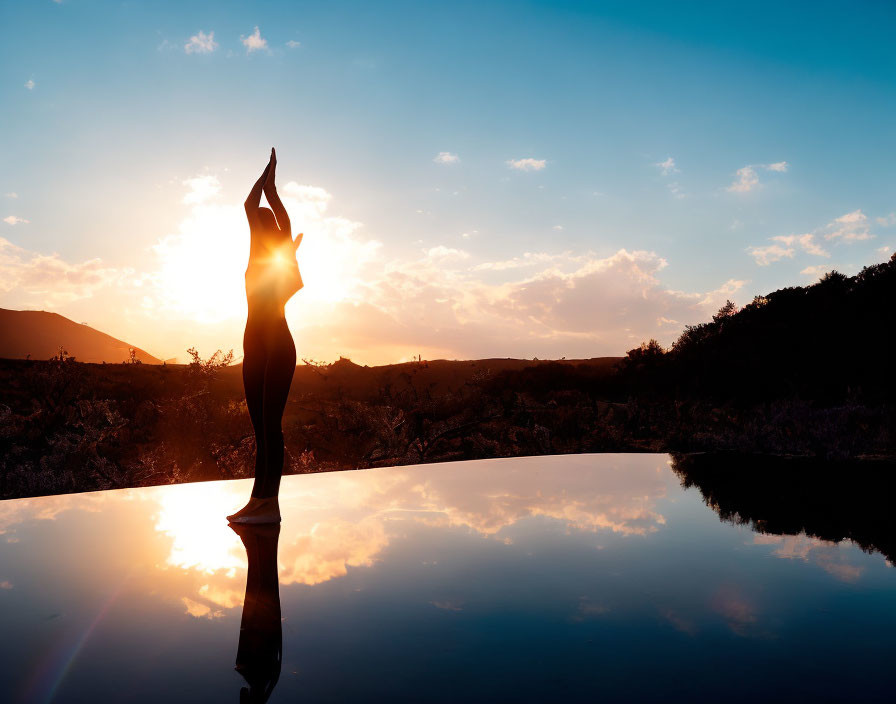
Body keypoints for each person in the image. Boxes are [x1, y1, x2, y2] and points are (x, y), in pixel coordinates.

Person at [228, 148, 303, 524]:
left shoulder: (279, 244)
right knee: (260, 428)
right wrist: (265, 175)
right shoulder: (256, 258)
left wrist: (269, 180)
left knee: (271, 426)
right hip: (252, 344)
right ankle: (259, 501)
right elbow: (248, 205)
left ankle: (268, 504)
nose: (257, 220)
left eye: (263, 219)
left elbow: (256, 202)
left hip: (278, 344)